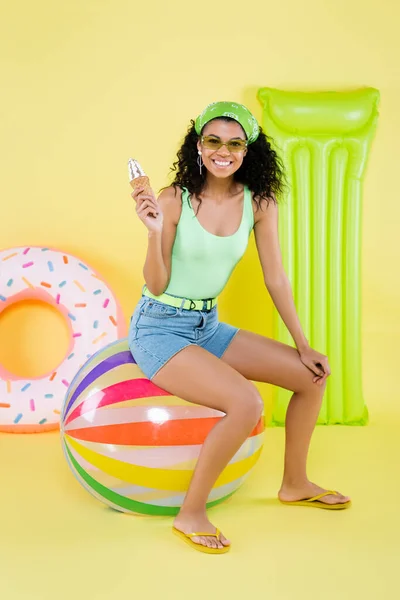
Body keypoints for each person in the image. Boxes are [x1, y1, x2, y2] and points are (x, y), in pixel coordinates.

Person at [128, 101, 350, 555]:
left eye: (234, 143)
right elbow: (155, 282)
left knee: (311, 377)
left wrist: (303, 344)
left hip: (206, 325)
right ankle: (191, 513)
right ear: (198, 146)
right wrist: (153, 232)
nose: (223, 151)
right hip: (159, 328)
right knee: (246, 403)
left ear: (248, 151)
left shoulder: (259, 202)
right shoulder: (173, 200)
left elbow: (276, 277)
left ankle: (295, 483)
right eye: (213, 141)